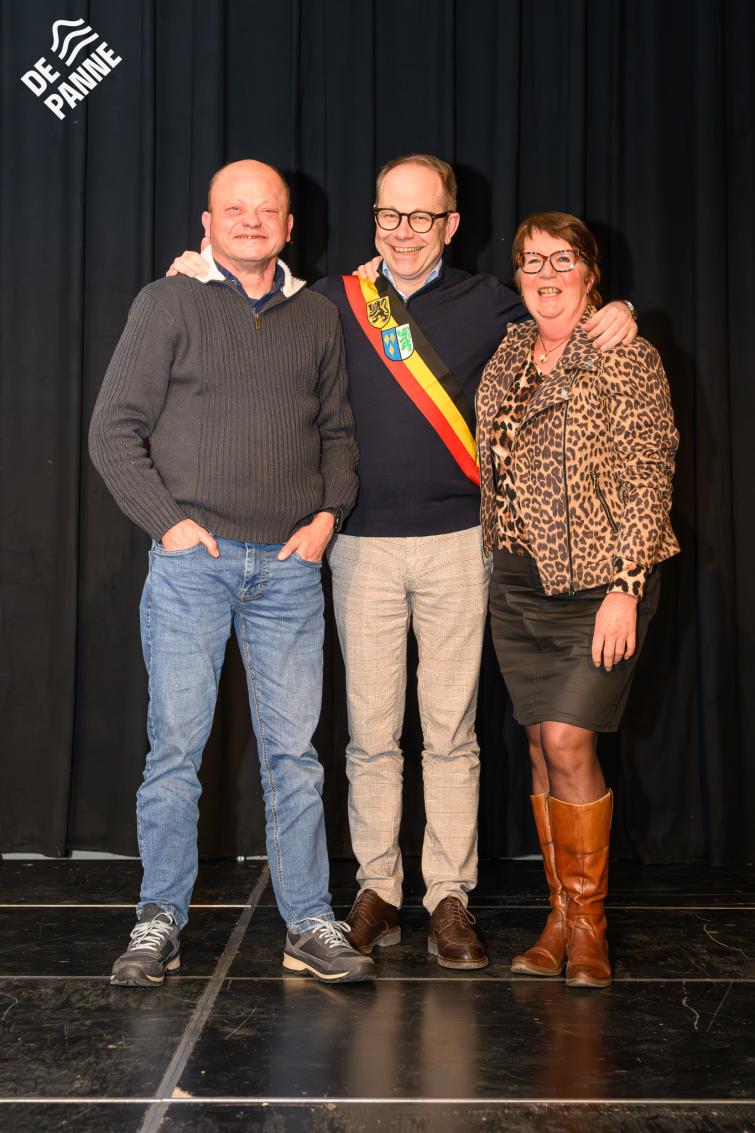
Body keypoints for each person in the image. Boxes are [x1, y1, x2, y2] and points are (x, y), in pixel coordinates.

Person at [168, 154, 637, 970]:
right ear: (374, 219)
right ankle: (377, 890)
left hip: (460, 543)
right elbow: (249, 296)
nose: (404, 232)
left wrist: (618, 310)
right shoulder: (332, 298)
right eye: (389, 215)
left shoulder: (492, 302)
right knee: (370, 734)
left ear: (450, 225)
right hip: (358, 545)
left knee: (451, 733)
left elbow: (563, 316)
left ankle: (449, 895)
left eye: (422, 217)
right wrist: (197, 272)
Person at [89, 159, 375, 986]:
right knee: (175, 752)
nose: (251, 221)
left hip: (288, 569)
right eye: (234, 209)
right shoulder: (167, 302)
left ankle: (309, 922)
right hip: (194, 567)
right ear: (207, 223)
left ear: (289, 226)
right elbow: (113, 430)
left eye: (266, 210)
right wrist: (171, 525)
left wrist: (326, 519)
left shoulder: (317, 317)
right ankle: (158, 920)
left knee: (295, 759)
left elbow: (338, 436)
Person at [476, 211, 679, 987]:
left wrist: (625, 588)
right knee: (537, 745)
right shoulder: (507, 353)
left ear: (592, 274)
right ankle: (557, 913)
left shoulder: (625, 353)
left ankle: (589, 921)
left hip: (599, 584)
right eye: (531, 260)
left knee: (567, 740)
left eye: (563, 260)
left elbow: (650, 472)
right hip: (518, 583)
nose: (546, 274)